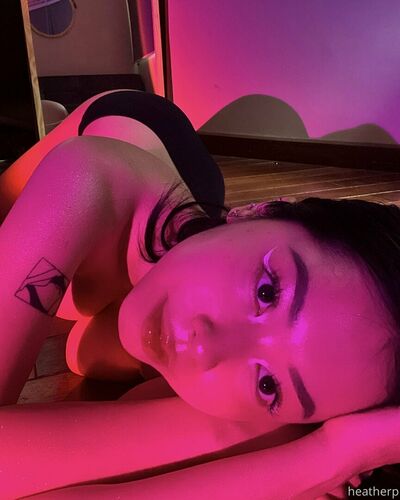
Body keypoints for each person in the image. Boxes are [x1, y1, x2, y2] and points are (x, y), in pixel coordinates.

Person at [0, 90, 399, 498]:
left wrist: (331, 451)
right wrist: (310, 463)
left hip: (185, 243)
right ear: (263, 209)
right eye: (266, 291)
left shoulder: (249, 397)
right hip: (138, 125)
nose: (206, 348)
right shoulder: (84, 180)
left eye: (269, 385)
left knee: (84, 353)